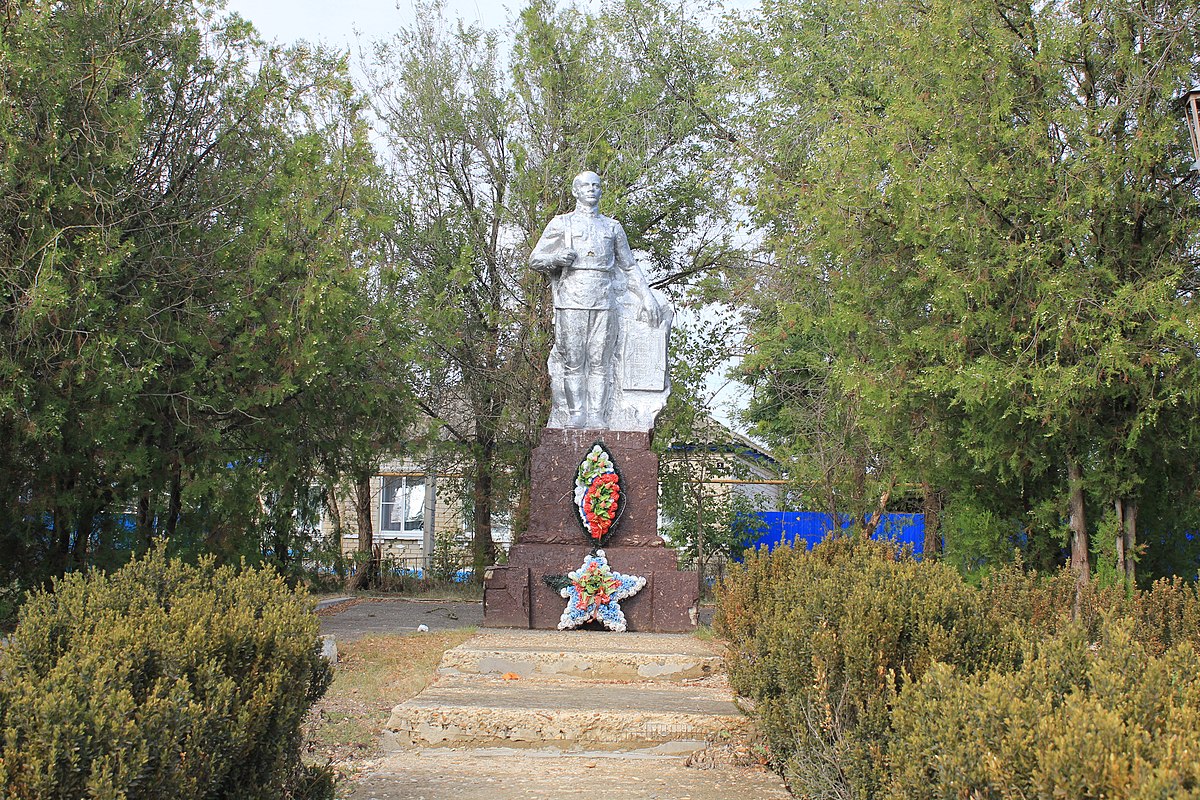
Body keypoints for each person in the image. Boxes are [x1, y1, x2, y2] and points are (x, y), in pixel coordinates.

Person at [530, 171, 662, 429]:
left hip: (604, 300)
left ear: (601, 191)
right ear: (575, 191)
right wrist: (556, 259)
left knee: (600, 361)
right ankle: (575, 414)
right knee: (574, 360)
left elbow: (629, 266)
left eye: (596, 186)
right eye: (585, 186)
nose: (591, 189)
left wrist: (646, 296)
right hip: (571, 300)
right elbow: (535, 259)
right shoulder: (562, 223)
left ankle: (597, 416)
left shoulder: (612, 227)